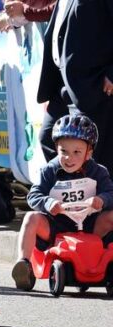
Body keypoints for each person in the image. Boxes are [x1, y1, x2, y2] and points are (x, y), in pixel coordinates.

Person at [12, 114, 113, 289]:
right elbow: (33, 195)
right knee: (31, 218)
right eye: (63, 151)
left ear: (88, 153)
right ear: (56, 148)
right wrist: (48, 203)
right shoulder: (49, 171)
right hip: (57, 223)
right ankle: (24, 265)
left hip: (89, 224)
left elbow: (110, 192)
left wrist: (102, 199)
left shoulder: (98, 172)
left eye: (77, 152)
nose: (69, 158)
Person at [37, 0, 113, 171]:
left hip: (94, 87)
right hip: (63, 86)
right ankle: (71, 194)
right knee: (49, 140)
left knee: (95, 158)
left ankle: (100, 196)